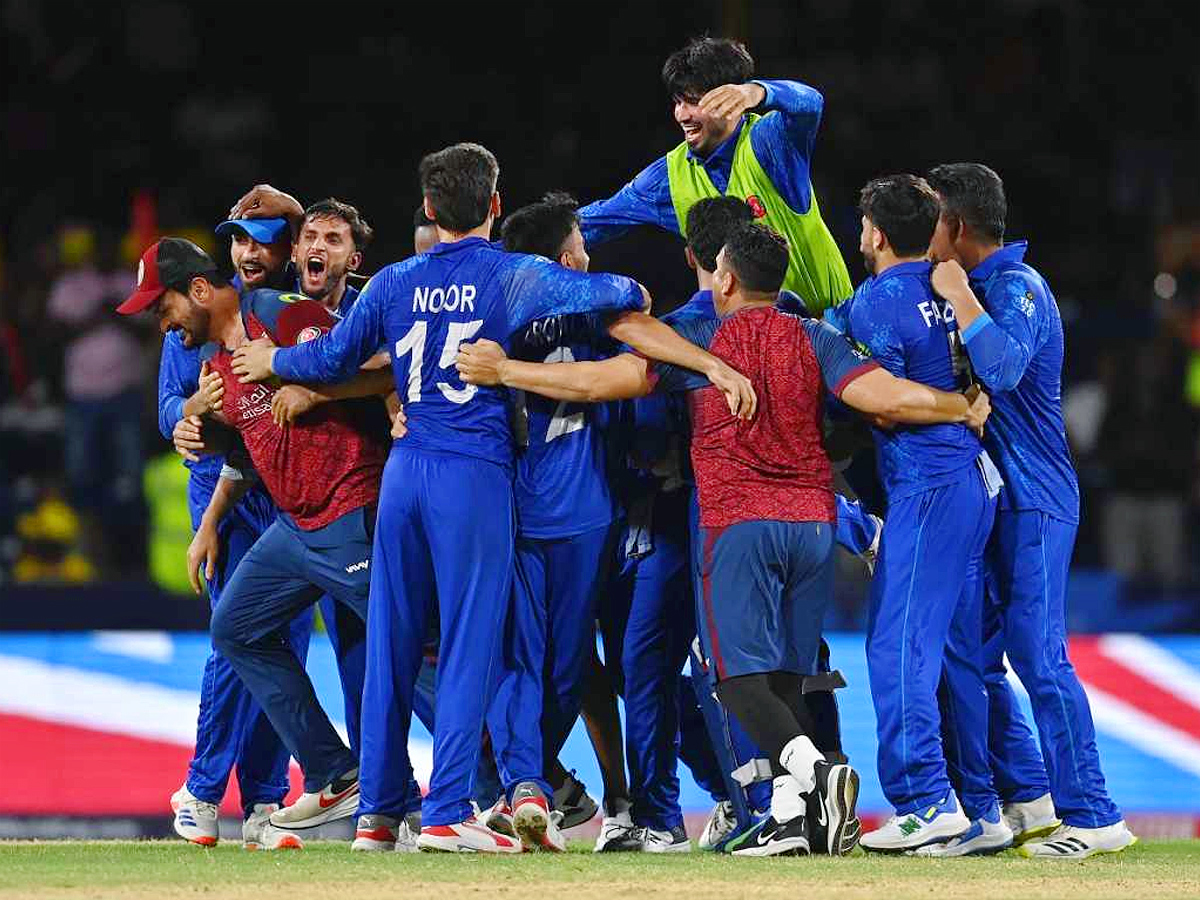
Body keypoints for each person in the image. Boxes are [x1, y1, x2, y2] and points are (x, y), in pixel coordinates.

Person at [231, 143, 753, 854]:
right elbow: (617, 295)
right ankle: (448, 810)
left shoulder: (392, 282)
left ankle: (379, 815)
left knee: (391, 642)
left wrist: (273, 362)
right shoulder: (511, 276)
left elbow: (332, 358)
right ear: (495, 206)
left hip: (404, 473)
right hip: (469, 473)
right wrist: (636, 294)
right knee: (474, 643)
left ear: (427, 209)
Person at [456, 221, 991, 857]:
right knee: (789, 677)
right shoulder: (814, 335)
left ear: (725, 277)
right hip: (813, 527)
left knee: (735, 678)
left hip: (736, 524)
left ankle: (816, 773)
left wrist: (506, 370)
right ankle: (793, 818)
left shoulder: (696, 336)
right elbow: (882, 396)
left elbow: (606, 383)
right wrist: (958, 405)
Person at [118, 237, 396, 840]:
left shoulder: (274, 312)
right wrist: (210, 510)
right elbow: (242, 447)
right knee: (238, 629)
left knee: (402, 654)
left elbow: (381, 364)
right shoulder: (216, 364)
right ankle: (330, 774)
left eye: (161, 306)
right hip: (292, 524)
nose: (161, 323)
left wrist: (301, 376)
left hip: (348, 512)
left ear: (197, 290)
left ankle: (487, 791)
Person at [926, 162, 1136, 858]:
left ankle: (1096, 816)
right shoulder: (974, 286)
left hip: (1037, 500)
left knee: (1040, 660)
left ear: (956, 227)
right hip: (992, 503)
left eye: (932, 219)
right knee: (979, 655)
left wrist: (958, 294)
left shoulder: (1018, 286)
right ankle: (1018, 803)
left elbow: (1008, 368)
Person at [831, 175, 1004, 854]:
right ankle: (981, 806)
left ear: (873, 233)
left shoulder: (875, 303)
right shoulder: (948, 284)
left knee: (897, 645)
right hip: (970, 479)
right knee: (958, 649)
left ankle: (925, 800)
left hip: (926, 486)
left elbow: (881, 402)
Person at [157, 211, 308, 851]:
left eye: (263, 242)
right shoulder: (192, 325)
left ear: (288, 252)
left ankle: (265, 802)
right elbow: (168, 407)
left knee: (287, 645)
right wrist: (188, 414)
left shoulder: (284, 312)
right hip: (222, 493)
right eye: (240, 240)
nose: (248, 251)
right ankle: (203, 791)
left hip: (284, 491)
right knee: (236, 636)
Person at [578, 36, 851, 312]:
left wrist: (756, 92)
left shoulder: (768, 144)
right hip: (747, 347)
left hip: (829, 334)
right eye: (677, 102)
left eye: (693, 102)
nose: (681, 115)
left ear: (731, 100)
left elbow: (811, 104)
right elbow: (593, 222)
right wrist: (539, 246)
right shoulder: (667, 178)